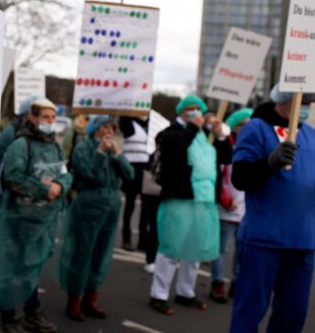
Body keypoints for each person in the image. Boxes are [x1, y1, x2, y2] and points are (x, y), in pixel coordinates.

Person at [229, 85, 315, 333]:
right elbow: (240, 178)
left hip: (303, 241)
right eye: (301, 102)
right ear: (283, 101)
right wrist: (270, 162)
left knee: (292, 315)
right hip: (265, 240)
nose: (305, 109)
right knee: (249, 312)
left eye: (308, 104)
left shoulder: (313, 136)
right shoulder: (256, 129)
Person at [0, 98, 72, 333]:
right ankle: (8, 317)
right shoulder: (20, 145)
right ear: (32, 117)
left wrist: (60, 185)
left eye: (53, 117)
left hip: (43, 220)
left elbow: (66, 173)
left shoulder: (55, 146)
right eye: (45, 117)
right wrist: (45, 190)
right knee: (10, 268)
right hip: (18, 218)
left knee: (32, 268)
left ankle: (31, 312)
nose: (50, 122)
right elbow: (13, 178)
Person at [148, 94, 231, 316]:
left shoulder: (206, 135)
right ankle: (159, 294)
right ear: (181, 110)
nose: (195, 112)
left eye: (198, 109)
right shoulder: (170, 133)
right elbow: (176, 149)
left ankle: (186, 291)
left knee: (194, 249)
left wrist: (220, 137)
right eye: (190, 108)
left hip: (203, 199)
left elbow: (225, 157)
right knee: (171, 247)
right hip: (180, 197)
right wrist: (194, 127)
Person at [60, 115, 134, 322]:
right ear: (94, 129)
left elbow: (129, 175)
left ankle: (90, 297)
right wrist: (100, 152)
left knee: (101, 253)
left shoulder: (114, 149)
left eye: (110, 127)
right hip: (89, 205)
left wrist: (117, 154)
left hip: (111, 205)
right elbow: (90, 175)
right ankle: (74, 299)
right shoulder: (83, 149)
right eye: (103, 127)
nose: (107, 131)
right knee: (82, 252)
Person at [209, 108, 253, 304]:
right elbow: (218, 175)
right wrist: (224, 198)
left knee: (242, 251)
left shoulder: (255, 148)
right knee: (221, 249)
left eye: (249, 123)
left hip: (247, 211)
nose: (246, 128)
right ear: (234, 127)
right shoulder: (225, 147)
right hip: (226, 208)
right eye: (242, 124)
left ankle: (237, 283)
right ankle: (217, 283)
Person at [119, 116, 152, 251]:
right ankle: (126, 238)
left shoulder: (149, 124)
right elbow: (123, 118)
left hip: (146, 169)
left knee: (146, 207)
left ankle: (142, 241)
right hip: (132, 169)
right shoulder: (128, 122)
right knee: (130, 205)